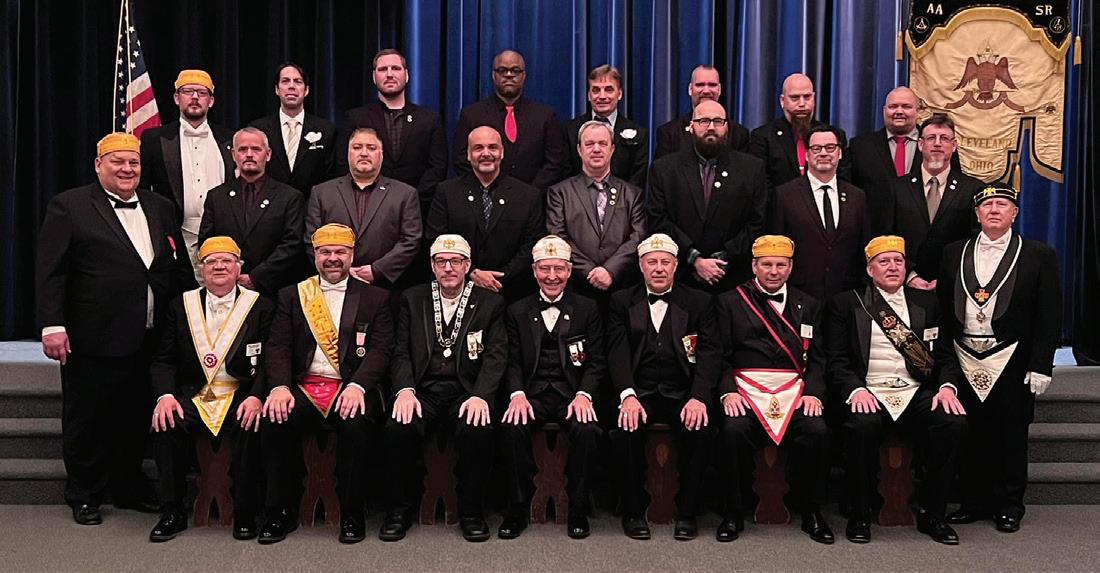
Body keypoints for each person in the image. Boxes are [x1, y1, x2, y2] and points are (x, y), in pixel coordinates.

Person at [36, 132, 193, 525]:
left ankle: (128, 486)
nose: (127, 169)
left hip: (150, 335)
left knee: (135, 416)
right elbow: (51, 271)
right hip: (93, 335)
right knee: (86, 417)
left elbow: (173, 268)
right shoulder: (69, 206)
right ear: (98, 165)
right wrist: (52, 325)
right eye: (117, 162)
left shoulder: (160, 206)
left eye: (133, 163)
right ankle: (84, 493)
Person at [824, 236, 967, 544]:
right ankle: (860, 513)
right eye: (884, 262)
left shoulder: (928, 303)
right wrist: (855, 390)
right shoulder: (847, 303)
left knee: (951, 421)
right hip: (869, 390)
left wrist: (947, 387)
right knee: (861, 424)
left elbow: (945, 356)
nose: (892, 267)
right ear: (870, 269)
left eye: (898, 261)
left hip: (914, 391)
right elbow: (837, 361)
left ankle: (933, 513)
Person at [258, 223, 395, 544]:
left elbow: (381, 349)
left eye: (340, 252)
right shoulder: (292, 295)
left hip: (351, 386)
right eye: (325, 252)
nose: (333, 258)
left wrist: (358, 386)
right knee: (275, 419)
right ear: (314, 255)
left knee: (356, 423)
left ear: (352, 255)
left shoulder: (376, 297)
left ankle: (352, 514)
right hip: (303, 385)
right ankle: (279, 512)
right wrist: (279, 387)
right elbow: (278, 346)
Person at [938, 184, 1061, 533]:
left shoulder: (1038, 255)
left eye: (1002, 205)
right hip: (964, 356)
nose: (994, 210)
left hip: (1012, 357)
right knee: (971, 433)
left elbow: (1049, 314)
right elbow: (944, 310)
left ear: (1015, 213)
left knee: (1010, 433)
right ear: (977, 214)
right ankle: (973, 501)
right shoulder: (953, 253)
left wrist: (1041, 364)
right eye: (988, 205)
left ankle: (1009, 504)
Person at [381, 234, 507, 543]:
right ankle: (399, 510)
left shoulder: (490, 302)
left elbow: (496, 355)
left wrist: (481, 395)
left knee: (477, 429)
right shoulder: (412, 298)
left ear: (467, 265)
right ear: (432, 266)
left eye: (455, 262)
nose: (448, 268)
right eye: (441, 262)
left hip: (466, 390)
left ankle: (472, 511)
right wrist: (405, 390)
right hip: (422, 389)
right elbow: (400, 351)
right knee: (398, 427)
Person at [147, 236, 275, 542]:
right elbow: (164, 359)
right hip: (194, 392)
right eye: (211, 262)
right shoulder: (181, 305)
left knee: (251, 422)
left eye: (226, 261)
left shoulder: (261, 306)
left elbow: (270, 361)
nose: (219, 267)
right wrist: (165, 396)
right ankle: (172, 511)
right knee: (166, 422)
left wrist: (257, 396)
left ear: (238, 268)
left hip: (240, 391)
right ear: (201, 269)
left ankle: (245, 512)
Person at [707, 235, 833, 544]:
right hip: (745, 390)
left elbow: (819, 357)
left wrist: (813, 392)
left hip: (793, 390)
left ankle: (812, 510)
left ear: (790, 268)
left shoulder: (809, 304)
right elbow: (718, 355)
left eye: (780, 265)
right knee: (733, 430)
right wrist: (728, 391)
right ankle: (733, 511)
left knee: (816, 430)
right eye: (766, 265)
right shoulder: (729, 301)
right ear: (754, 266)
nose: (773, 271)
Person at [606, 234, 717, 541]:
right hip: (639, 391)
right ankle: (632, 511)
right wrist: (627, 395)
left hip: (683, 391)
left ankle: (688, 512)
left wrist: (698, 397)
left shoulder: (699, 301)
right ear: (640, 266)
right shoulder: (621, 301)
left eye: (665, 262)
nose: (658, 268)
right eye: (651, 262)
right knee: (625, 428)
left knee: (700, 428)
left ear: (676, 265)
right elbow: (616, 353)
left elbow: (710, 354)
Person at [498, 236, 605, 540]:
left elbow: (597, 362)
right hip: (531, 393)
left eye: (559, 269)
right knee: (511, 427)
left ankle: (578, 508)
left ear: (570, 271)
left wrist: (584, 395)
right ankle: (518, 507)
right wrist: (517, 394)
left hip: (571, 393)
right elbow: (511, 361)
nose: (552, 276)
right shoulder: (516, 310)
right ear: (534, 271)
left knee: (587, 430)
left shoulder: (588, 308)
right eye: (545, 269)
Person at [648, 100, 767, 292]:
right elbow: (657, 219)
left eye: (718, 121)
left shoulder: (752, 169)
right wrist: (694, 259)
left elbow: (758, 222)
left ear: (727, 127)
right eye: (703, 121)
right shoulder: (664, 169)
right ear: (691, 126)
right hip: (682, 281)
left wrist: (724, 257)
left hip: (734, 281)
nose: (711, 127)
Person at [427, 126, 544, 300]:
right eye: (478, 148)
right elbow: (436, 239)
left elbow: (531, 244)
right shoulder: (446, 192)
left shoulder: (528, 195)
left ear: (502, 153)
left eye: (492, 147)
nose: (486, 153)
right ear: (468, 155)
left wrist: (499, 277)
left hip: (512, 292)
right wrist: (472, 271)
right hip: (459, 290)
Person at [139, 69, 234, 273]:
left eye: (202, 93)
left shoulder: (229, 138)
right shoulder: (154, 139)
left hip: (221, 236)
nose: (195, 97)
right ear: (176, 98)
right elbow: (143, 189)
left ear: (211, 101)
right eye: (188, 91)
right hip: (173, 235)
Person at [305, 127, 421, 289]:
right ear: (348, 154)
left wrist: (377, 270)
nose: (364, 153)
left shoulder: (405, 194)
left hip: (384, 287)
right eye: (357, 147)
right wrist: (343, 270)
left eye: (371, 148)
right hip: (333, 284)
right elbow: (312, 239)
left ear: (381, 155)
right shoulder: (322, 192)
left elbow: (411, 240)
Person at [198, 127, 305, 297]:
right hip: (227, 289)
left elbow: (292, 244)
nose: (249, 154)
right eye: (242, 149)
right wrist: (230, 273)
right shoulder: (216, 197)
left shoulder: (289, 197)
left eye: (256, 149)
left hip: (273, 289)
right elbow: (207, 243)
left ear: (268, 154)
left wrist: (256, 277)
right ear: (233, 155)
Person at [768, 124, 869, 303]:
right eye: (816, 148)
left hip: (847, 296)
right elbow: (776, 247)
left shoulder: (857, 196)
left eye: (830, 147)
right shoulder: (784, 195)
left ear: (840, 153)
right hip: (800, 297)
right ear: (806, 154)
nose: (823, 153)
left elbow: (864, 248)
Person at [547, 120, 646, 302]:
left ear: (612, 149)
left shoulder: (632, 193)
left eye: (602, 143)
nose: (596, 149)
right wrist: (590, 271)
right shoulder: (559, 193)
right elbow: (558, 237)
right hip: (577, 289)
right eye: (589, 144)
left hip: (622, 289)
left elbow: (638, 237)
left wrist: (610, 270)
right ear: (579, 150)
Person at [342, 49, 448, 214]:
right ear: (374, 77)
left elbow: (438, 167)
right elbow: (343, 163)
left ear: (406, 75)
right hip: (366, 207)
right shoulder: (355, 118)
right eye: (383, 69)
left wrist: (412, 198)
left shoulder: (429, 119)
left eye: (396, 68)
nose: (389, 74)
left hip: (418, 208)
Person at [892, 114, 983, 291]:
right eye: (931, 138)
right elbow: (887, 236)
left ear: (954, 146)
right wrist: (909, 275)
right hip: (905, 285)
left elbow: (976, 240)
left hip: (955, 286)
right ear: (920, 144)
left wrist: (949, 277)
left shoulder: (972, 189)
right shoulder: (897, 188)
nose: (938, 143)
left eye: (945, 138)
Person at [452, 49, 566, 189]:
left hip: (534, 197)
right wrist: (489, 189)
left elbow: (555, 162)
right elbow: (461, 160)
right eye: (502, 70)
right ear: (493, 76)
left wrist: (530, 193)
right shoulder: (472, 114)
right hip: (484, 196)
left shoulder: (545, 115)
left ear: (523, 76)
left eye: (515, 70)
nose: (509, 75)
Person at [748, 73, 849, 191]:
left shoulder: (833, 136)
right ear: (782, 101)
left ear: (814, 98)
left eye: (807, 97)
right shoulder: (763, 137)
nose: (802, 104)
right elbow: (761, 185)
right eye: (795, 98)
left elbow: (844, 182)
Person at [250, 62, 337, 197]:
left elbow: (331, 176)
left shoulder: (326, 130)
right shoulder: (258, 129)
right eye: (285, 81)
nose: (291, 86)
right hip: (269, 205)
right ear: (277, 90)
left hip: (312, 206)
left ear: (306, 90)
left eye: (297, 81)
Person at [848, 87, 921, 234]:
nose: (899, 111)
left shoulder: (936, 145)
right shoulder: (860, 146)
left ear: (918, 111)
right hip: (874, 234)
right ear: (884, 110)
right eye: (893, 107)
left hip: (921, 236)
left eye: (906, 106)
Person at [562, 65, 649, 188]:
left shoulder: (639, 134)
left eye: (609, 89)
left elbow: (637, 181)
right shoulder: (570, 130)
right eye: (596, 90)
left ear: (619, 94)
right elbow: (566, 177)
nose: (602, 96)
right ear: (589, 95)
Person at [653, 65, 751, 159]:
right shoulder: (669, 133)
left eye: (712, 85)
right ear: (690, 89)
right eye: (700, 85)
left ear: (719, 89)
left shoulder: (739, 134)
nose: (706, 91)